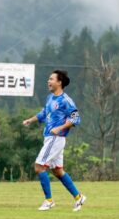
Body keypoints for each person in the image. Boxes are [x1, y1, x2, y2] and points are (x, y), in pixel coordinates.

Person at [23, 69, 86, 211]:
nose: (48, 81)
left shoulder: (66, 100)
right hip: (50, 138)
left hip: (56, 138)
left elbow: (76, 118)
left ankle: (49, 201)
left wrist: (60, 128)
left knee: (39, 166)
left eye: (51, 79)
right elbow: (44, 113)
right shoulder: (50, 98)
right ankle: (79, 197)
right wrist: (30, 120)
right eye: (48, 79)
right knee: (58, 171)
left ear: (59, 82)